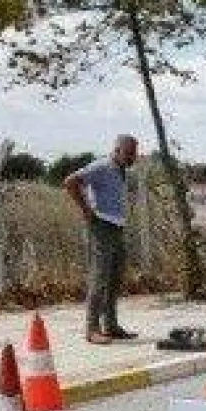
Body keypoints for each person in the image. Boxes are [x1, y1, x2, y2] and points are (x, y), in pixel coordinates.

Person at [64, 135, 140, 344]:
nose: (133, 157)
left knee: (115, 278)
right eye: (129, 153)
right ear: (117, 150)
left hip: (117, 227)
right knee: (99, 278)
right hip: (101, 227)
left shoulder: (121, 170)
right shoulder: (101, 167)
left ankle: (111, 326)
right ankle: (92, 329)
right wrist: (86, 209)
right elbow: (70, 182)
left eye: (134, 153)